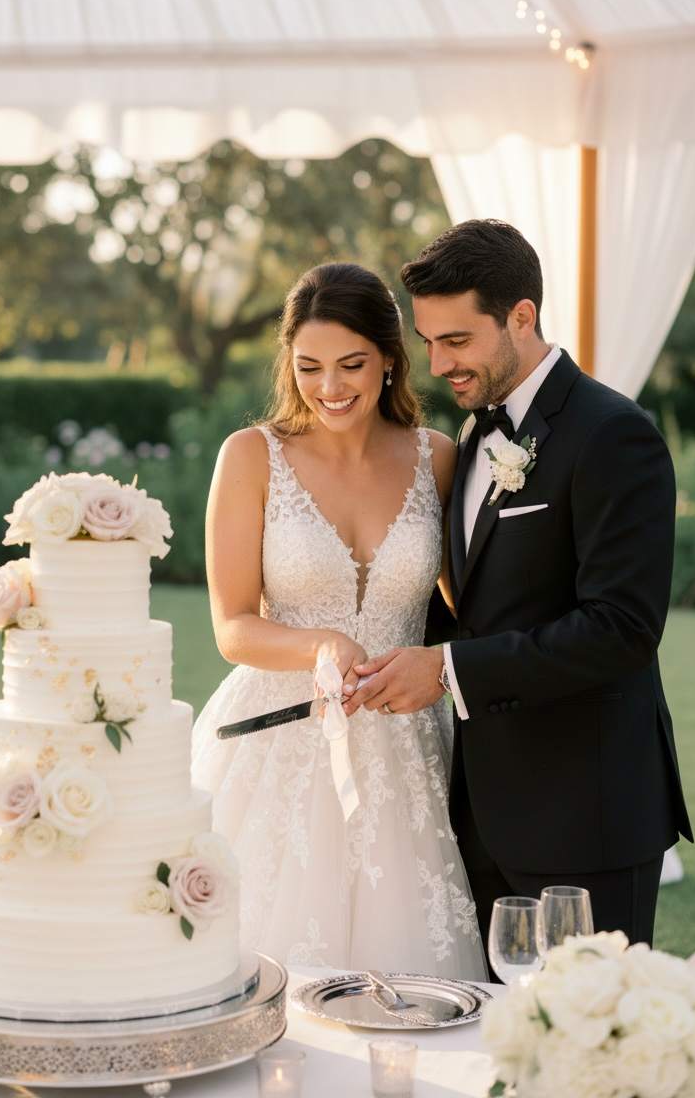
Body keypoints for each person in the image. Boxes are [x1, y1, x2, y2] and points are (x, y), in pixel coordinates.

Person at [343, 218, 693, 957]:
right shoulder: (477, 437)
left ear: (522, 318)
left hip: (586, 819)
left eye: (457, 341)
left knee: (590, 1057)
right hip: (480, 816)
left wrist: (447, 672)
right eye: (429, 342)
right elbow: (481, 605)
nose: (437, 364)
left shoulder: (612, 435)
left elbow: (621, 627)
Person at [191, 262, 487, 978]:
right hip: (278, 742)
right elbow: (231, 626)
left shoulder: (438, 459)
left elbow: (470, 607)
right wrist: (318, 642)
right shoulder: (251, 457)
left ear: (390, 358)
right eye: (310, 367)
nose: (330, 388)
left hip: (406, 746)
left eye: (352, 365)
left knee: (410, 971)